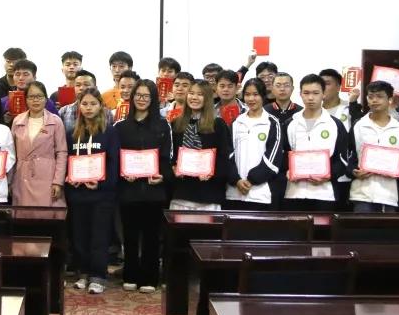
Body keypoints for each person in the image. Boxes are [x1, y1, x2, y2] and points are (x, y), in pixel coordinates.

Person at [114, 78, 172, 293]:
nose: (141, 99)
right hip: (128, 189)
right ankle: (130, 274)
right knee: (129, 235)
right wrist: (122, 173)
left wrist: (162, 176)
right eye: (138, 95)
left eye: (146, 96)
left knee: (151, 236)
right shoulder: (120, 126)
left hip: (153, 190)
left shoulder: (162, 125)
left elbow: (167, 157)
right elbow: (116, 157)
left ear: (153, 99)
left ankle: (149, 277)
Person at [65, 88, 119, 294]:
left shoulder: (109, 132)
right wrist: (70, 178)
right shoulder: (72, 133)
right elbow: (68, 161)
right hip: (78, 193)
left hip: (102, 195)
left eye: (93, 104)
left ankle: (98, 275)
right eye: (84, 104)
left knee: (99, 236)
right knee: (79, 236)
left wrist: (101, 184)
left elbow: (113, 163)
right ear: (79, 107)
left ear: (101, 107)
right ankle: (83, 273)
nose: (88, 108)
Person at [282, 73, 351, 212]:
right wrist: (287, 171)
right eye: (306, 93)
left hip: (325, 194)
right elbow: (283, 155)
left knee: (323, 226)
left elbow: (343, 160)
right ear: (300, 94)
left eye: (315, 93)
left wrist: (328, 175)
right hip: (294, 193)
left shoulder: (335, 124)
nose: (310, 98)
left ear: (323, 94)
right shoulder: (290, 123)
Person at [170, 81, 231, 210]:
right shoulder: (176, 123)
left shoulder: (218, 124)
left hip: (208, 193)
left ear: (207, 98)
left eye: (200, 94)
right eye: (191, 93)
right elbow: (172, 154)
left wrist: (212, 173)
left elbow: (224, 158)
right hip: (182, 192)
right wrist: (174, 167)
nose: (194, 97)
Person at [225, 78, 285, 210]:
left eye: (255, 94)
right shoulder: (236, 122)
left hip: (261, 195)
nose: (251, 99)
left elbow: (273, 158)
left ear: (263, 96)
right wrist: (236, 180)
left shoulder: (272, 123)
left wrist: (252, 180)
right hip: (234, 193)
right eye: (247, 94)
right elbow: (228, 153)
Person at [347, 81, 399, 213]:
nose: (374, 100)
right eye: (370, 97)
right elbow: (349, 155)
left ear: (390, 99)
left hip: (389, 195)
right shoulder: (358, 126)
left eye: (379, 96)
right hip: (361, 194)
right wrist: (353, 171)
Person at [11, 80, 68, 207]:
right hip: (22, 176)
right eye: (31, 97)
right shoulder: (17, 121)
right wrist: (10, 181)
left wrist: (58, 182)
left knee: (46, 213)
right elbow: (12, 154)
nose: (35, 100)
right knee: (23, 213)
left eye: (39, 96)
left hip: (48, 176)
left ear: (46, 99)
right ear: (26, 99)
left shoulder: (55, 121)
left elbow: (62, 153)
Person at [58, 69, 97, 138]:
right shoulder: (63, 111)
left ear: (95, 88)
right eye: (78, 85)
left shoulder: (106, 113)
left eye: (86, 84)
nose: (81, 88)